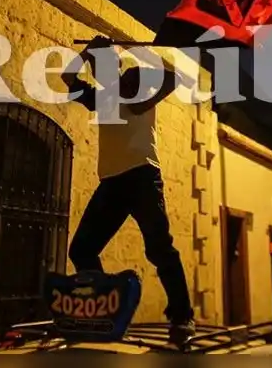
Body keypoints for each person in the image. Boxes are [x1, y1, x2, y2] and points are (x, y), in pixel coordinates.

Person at [60, 35, 195, 344]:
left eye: (106, 68)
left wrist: (135, 48)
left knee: (159, 248)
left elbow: (172, 77)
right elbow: (68, 78)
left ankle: (182, 316)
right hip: (112, 182)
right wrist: (86, 52)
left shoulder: (135, 88)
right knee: (81, 250)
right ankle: (105, 307)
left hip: (143, 177)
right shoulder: (100, 98)